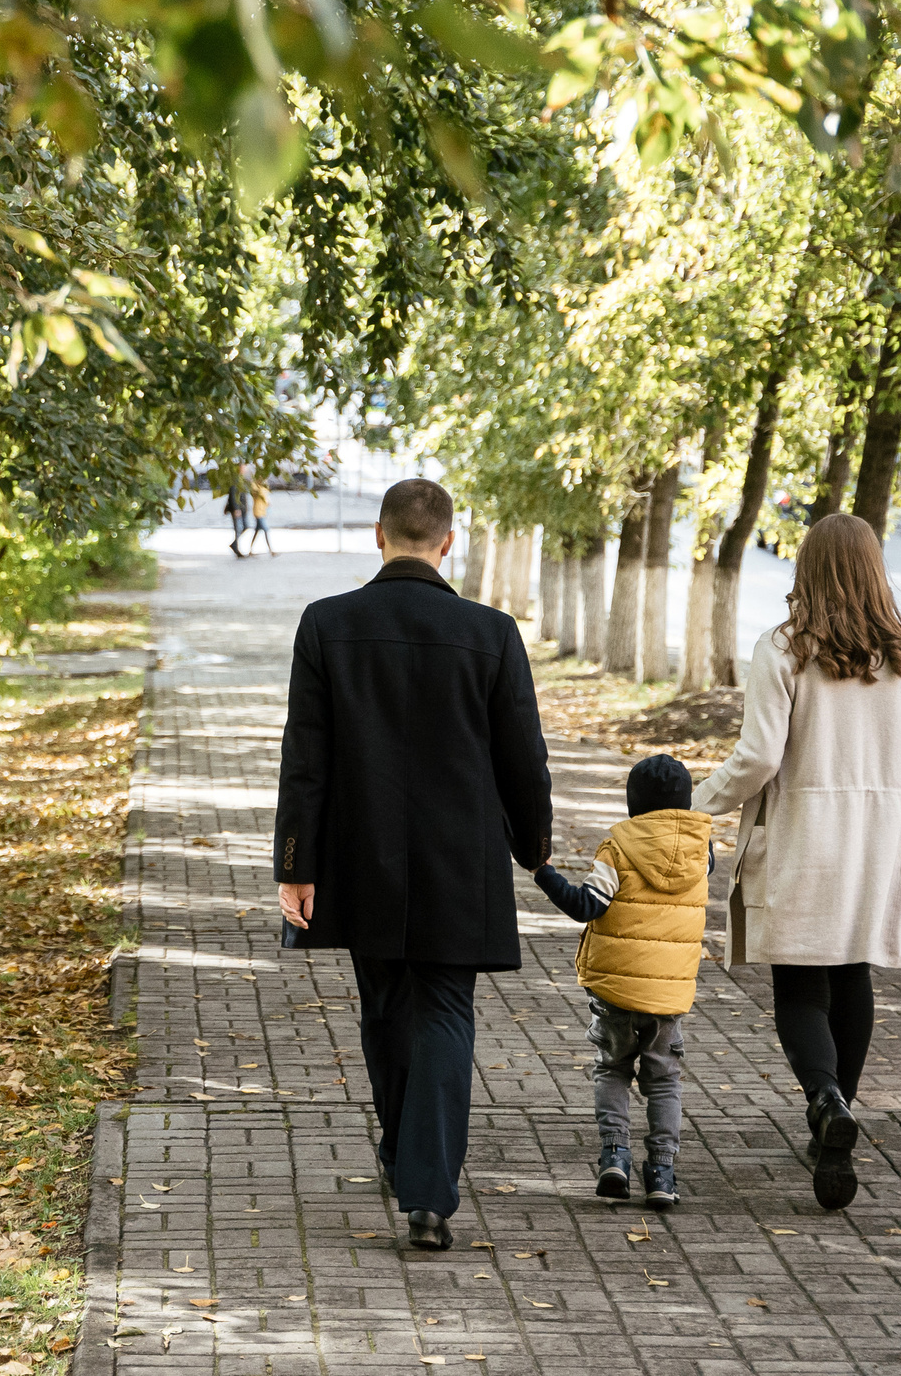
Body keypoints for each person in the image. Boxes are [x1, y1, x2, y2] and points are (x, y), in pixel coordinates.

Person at [692, 512, 901, 1211]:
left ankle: (824, 1099)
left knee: (800, 983)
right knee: (851, 974)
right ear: (875, 570)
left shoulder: (783, 648)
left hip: (802, 839)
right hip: (881, 845)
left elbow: (757, 758)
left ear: (806, 568)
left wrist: (693, 804)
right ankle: (834, 1116)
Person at [275, 478, 554, 1250]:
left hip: (360, 855)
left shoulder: (327, 624)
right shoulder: (492, 633)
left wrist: (295, 863)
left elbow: (306, 757)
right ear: (447, 542)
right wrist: (534, 842)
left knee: (384, 1007)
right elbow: (523, 757)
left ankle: (412, 1162)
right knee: (443, 1010)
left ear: (378, 535)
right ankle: (423, 1182)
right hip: (459, 859)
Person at [533, 754, 714, 1211]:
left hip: (615, 990)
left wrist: (544, 873)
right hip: (669, 994)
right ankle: (663, 1170)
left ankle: (615, 1154)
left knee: (613, 1068)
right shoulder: (701, 850)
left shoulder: (617, 847)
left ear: (634, 803)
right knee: (665, 1080)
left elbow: (586, 905)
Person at [247, 477, 276, 556]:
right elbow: (258, 494)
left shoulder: (263, 487)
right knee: (266, 529)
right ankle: (271, 550)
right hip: (258, 511)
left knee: (257, 531)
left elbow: (266, 496)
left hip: (263, 511)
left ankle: (250, 549)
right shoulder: (255, 487)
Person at [222, 474, 250, 556]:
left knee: (245, 526)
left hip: (243, 509)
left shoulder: (242, 480)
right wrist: (236, 508)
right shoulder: (235, 480)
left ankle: (235, 544)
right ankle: (236, 547)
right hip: (237, 509)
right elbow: (233, 495)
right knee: (238, 528)